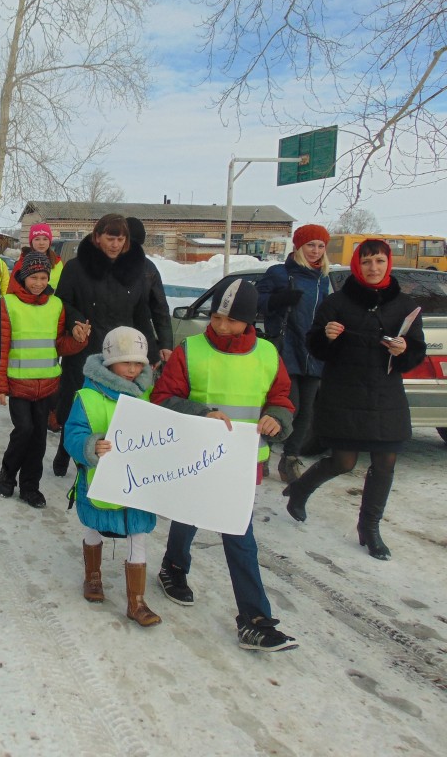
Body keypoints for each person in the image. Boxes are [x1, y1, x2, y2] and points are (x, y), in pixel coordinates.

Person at [153, 279, 299, 652]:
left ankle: (255, 620)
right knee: (189, 513)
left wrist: (277, 418)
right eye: (216, 316)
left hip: (241, 463)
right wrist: (202, 413)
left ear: (249, 321)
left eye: (231, 320)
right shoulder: (191, 350)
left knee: (238, 534)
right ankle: (174, 566)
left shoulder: (267, 354)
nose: (220, 326)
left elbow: (281, 397)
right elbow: (163, 397)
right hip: (197, 457)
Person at [282, 238, 426, 560]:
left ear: (388, 264)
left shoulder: (404, 305)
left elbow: (417, 349)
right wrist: (326, 337)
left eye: (379, 261)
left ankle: (369, 527)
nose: (373, 268)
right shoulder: (337, 302)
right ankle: (300, 490)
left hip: (385, 396)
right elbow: (314, 345)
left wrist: (405, 350)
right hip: (345, 394)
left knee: (385, 463)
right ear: (357, 265)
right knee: (343, 462)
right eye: (366, 261)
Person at [63, 326, 160, 627]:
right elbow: (72, 434)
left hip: (138, 484)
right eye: (125, 362)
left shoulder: (149, 395)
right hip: (99, 481)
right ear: (109, 363)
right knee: (94, 527)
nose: (132, 370)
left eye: (138, 363)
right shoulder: (88, 397)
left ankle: (137, 601)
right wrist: (90, 445)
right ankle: (93, 576)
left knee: (137, 536)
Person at [52, 213, 157, 477]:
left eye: (120, 239)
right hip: (85, 349)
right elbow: (62, 303)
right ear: (97, 237)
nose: (115, 244)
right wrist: (75, 322)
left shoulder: (134, 271)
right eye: (110, 238)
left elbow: (142, 313)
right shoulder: (76, 267)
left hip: (121, 354)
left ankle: (108, 458)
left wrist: (152, 352)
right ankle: (66, 449)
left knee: (113, 407)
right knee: (78, 404)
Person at [0, 252, 88, 508]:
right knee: (24, 430)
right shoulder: (8, 304)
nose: (38, 283)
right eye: (33, 277)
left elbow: (58, 345)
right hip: (19, 384)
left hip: (47, 385)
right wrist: (0, 385)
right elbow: (2, 348)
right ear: (23, 277)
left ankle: (30, 487)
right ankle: (8, 473)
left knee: (38, 438)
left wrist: (78, 341)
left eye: (43, 278)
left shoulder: (55, 305)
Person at [257, 224, 332, 483]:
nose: (316, 251)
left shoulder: (323, 278)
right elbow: (257, 301)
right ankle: (262, 452)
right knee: (289, 406)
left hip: (313, 350)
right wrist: (278, 300)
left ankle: (290, 458)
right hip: (286, 348)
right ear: (298, 247)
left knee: (307, 411)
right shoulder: (280, 273)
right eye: (310, 245)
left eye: (321, 246)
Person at [126, 217, 173, 365]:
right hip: (137, 339)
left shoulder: (148, 268)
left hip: (137, 338)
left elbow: (160, 307)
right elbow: (160, 309)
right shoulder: (148, 267)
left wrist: (165, 344)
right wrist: (166, 344)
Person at [10, 223, 64, 291]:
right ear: (31, 242)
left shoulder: (57, 262)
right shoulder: (23, 262)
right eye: (37, 239)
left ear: (49, 241)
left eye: (45, 239)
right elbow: (12, 288)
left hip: (53, 298)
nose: (41, 243)